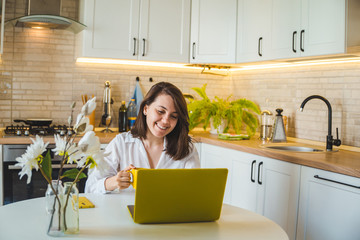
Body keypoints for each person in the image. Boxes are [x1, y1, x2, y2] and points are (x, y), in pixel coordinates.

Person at [85, 82, 200, 193]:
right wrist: (113, 182)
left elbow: (195, 191)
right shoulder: (121, 143)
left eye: (173, 116)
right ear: (145, 109)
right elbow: (90, 187)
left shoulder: (186, 148)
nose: (165, 121)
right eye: (160, 111)